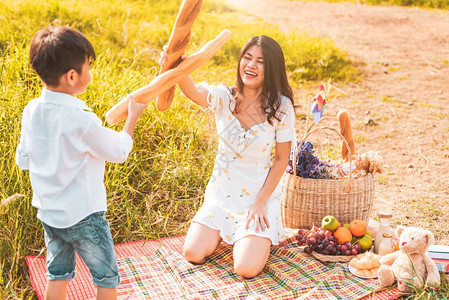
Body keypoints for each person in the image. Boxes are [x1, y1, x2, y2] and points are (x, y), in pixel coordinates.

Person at [15, 26, 147, 300]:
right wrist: (132, 118)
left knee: (58, 272)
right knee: (106, 276)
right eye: (89, 66)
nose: (91, 72)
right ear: (72, 76)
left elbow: (23, 159)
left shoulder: (31, 111)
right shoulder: (83, 120)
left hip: (50, 215)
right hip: (84, 217)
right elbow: (119, 152)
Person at [161, 35, 296, 278]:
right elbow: (192, 90)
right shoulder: (225, 97)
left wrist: (261, 202)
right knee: (192, 253)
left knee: (244, 269)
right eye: (247, 57)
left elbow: (281, 159)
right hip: (221, 195)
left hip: (257, 198)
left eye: (260, 61)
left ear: (272, 68)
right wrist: (174, 64)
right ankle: (237, 237)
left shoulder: (281, 106)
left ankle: (258, 240)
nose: (251, 65)